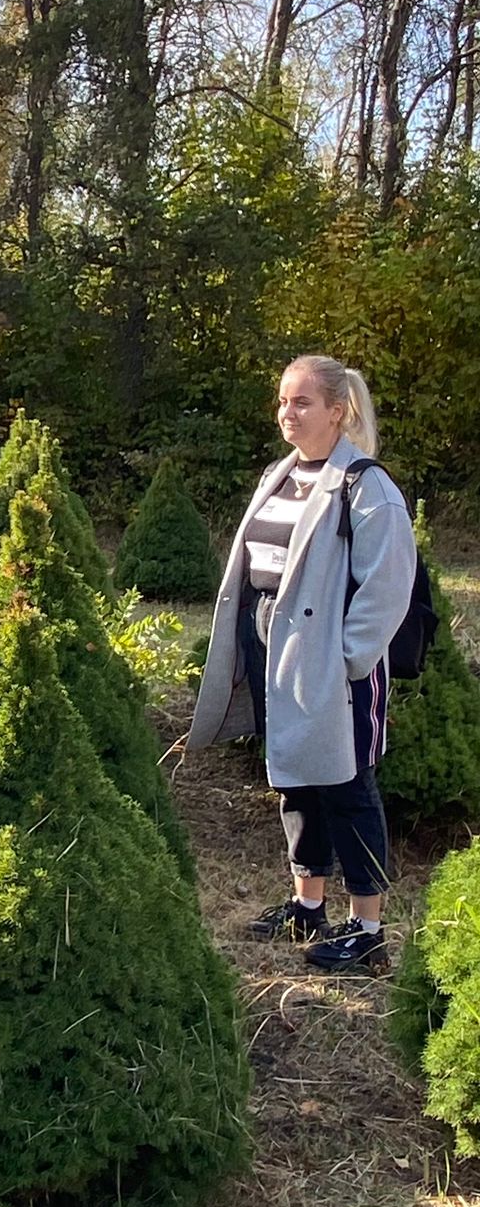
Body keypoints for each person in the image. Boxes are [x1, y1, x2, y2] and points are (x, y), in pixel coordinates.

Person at [188, 354, 417, 971]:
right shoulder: (280, 474)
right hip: (274, 651)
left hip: (329, 662)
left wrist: (347, 660)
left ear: (337, 411)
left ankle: (367, 928)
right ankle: (307, 905)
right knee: (295, 778)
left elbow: (387, 586)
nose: (286, 412)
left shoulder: (366, 487)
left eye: (302, 402)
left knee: (347, 785)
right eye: (282, 401)